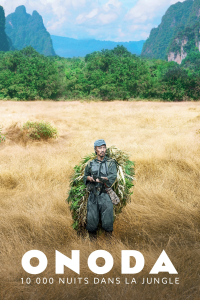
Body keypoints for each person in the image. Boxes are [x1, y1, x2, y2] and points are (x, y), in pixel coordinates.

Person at [83, 139, 117, 240]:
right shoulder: (90, 164)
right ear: (95, 150)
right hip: (93, 196)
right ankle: (92, 246)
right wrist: (90, 178)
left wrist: (97, 178)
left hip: (105, 195)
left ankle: (109, 245)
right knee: (92, 222)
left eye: (104, 147)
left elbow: (111, 177)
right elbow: (85, 176)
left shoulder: (111, 163)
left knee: (108, 221)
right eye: (99, 148)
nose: (102, 150)